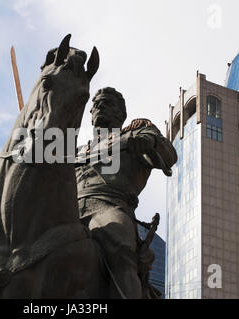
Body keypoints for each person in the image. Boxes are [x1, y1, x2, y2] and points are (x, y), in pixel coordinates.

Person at [75, 87, 177, 298]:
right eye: (96, 105)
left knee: (119, 248)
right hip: (67, 210)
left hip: (107, 206)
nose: (100, 107)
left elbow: (169, 156)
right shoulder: (77, 151)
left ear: (122, 115)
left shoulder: (137, 134)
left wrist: (149, 143)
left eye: (107, 103)